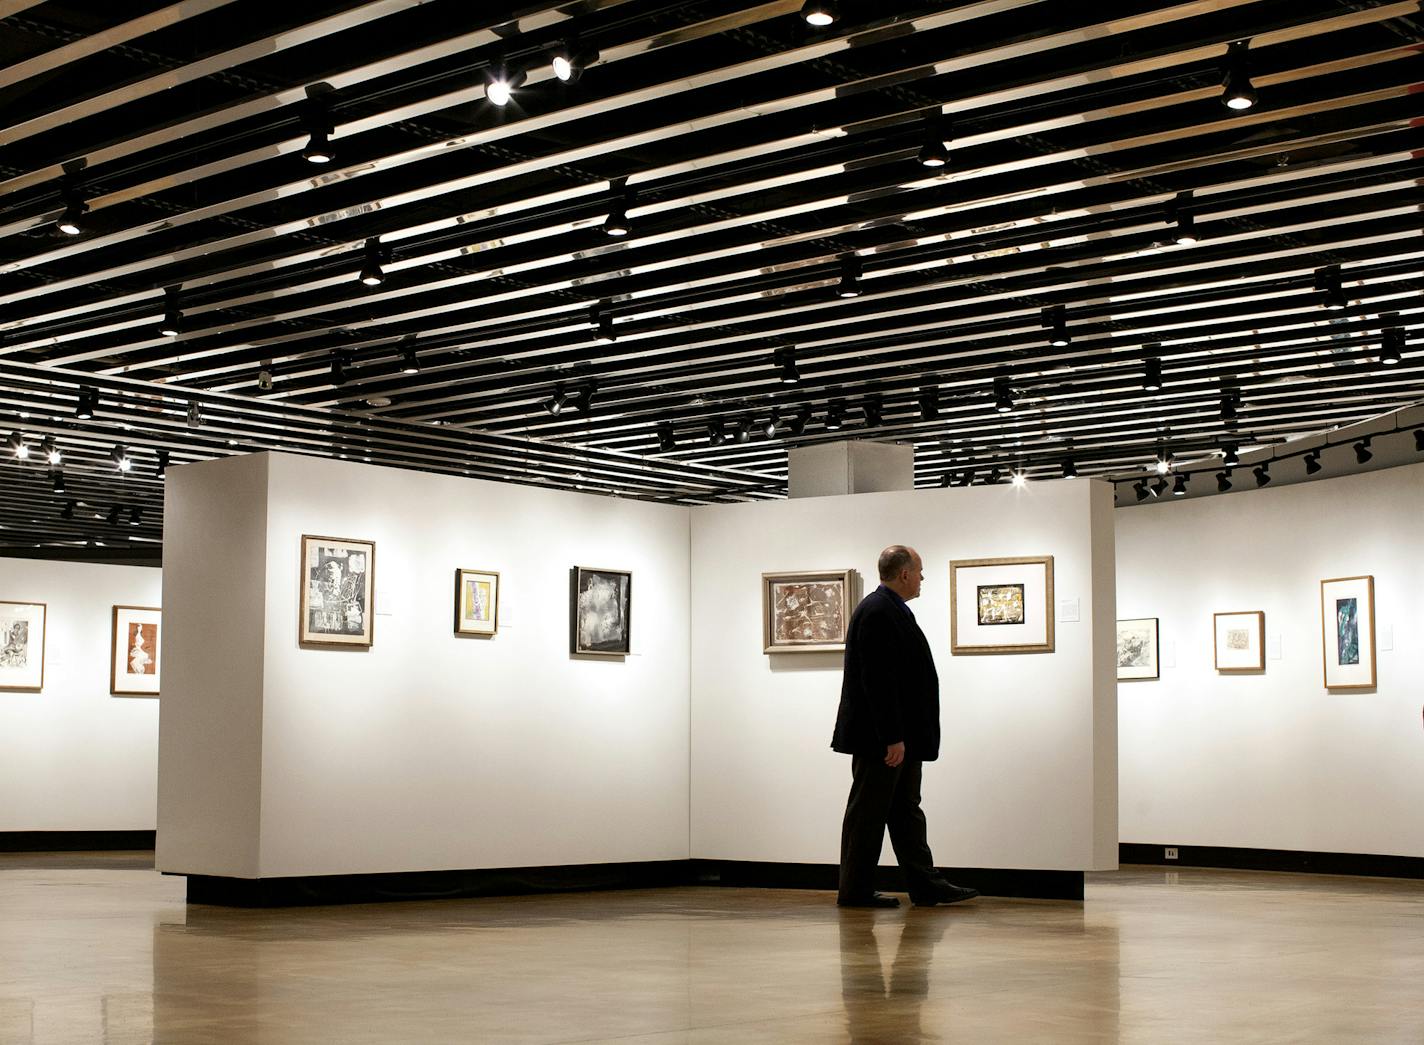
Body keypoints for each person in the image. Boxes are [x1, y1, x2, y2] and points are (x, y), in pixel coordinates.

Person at [831, 545, 979, 908]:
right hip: (883, 741)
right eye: (920, 572)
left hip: (897, 738)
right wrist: (891, 737)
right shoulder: (879, 611)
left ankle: (925, 884)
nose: (923, 579)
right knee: (869, 813)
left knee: (904, 811)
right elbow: (878, 681)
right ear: (905, 574)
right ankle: (855, 890)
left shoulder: (888, 610)